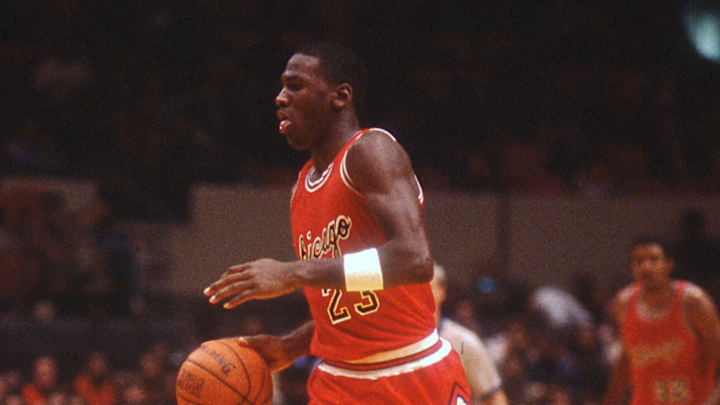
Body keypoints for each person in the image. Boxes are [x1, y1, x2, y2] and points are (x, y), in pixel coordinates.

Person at [203, 42, 470, 404]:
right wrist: (291, 346)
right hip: (340, 382)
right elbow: (350, 301)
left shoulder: (371, 152)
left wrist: (295, 273)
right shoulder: (301, 189)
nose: (281, 98)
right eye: (281, 88)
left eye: (295, 86)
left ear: (340, 97)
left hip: (411, 372)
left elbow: (414, 262)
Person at [601, 236, 720, 405]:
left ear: (669, 265)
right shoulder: (623, 303)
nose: (646, 267)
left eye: (654, 260)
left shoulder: (693, 302)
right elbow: (626, 358)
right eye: (639, 261)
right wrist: (611, 399)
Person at [430, 263, 509, 405]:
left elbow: (494, 397)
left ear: (442, 291)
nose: (421, 295)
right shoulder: (398, 340)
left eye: (428, 287)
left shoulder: (464, 342)